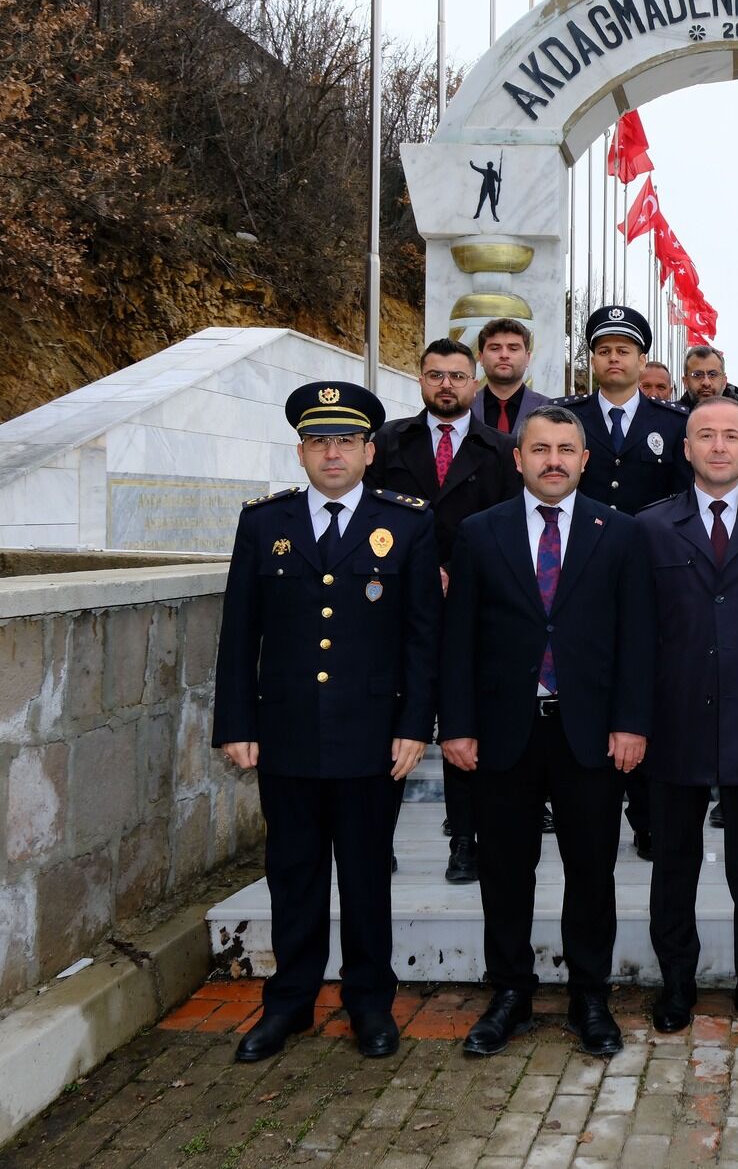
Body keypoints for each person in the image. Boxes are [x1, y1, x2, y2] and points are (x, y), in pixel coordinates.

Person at [214, 381, 437, 1064]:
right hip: (286, 733)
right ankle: (289, 1003)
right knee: (293, 872)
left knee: (366, 875)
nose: (331, 453)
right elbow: (239, 633)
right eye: (318, 441)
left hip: (372, 736)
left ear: (370, 450)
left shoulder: (408, 522)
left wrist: (415, 724)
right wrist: (236, 723)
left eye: (345, 440)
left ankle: (369, 1002)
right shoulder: (264, 524)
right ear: (301, 452)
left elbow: (422, 635)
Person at [442, 405, 655, 1058]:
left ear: (585, 460)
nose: (553, 460)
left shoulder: (620, 533)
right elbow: (458, 639)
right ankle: (510, 993)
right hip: (504, 733)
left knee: (591, 870)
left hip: (588, 733)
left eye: (566, 449)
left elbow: (637, 637)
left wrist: (631, 722)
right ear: (518, 458)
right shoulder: (479, 533)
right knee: (506, 870)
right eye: (540, 448)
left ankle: (590, 996)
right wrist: (457, 726)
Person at [636, 397, 738, 1037]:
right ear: (687, 448)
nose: (720, 446)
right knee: (673, 865)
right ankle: (677, 983)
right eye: (706, 435)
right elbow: (636, 631)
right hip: (675, 717)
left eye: (733, 435)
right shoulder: (650, 527)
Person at [366, 338, 521, 885]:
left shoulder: (501, 449)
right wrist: (418, 568)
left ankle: (465, 841)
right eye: (436, 375)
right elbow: (370, 518)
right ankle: (376, 841)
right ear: (421, 381)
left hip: (472, 608)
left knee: (463, 723)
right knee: (392, 722)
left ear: (474, 383)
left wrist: (458, 568)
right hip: (397, 608)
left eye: (457, 376)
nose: (447, 386)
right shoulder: (387, 442)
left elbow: (508, 524)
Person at [553, 305, 690, 860]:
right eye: (604, 350)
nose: (614, 359)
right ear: (592, 358)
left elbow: (681, 502)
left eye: (624, 350)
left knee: (646, 687)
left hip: (649, 575)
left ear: (641, 359)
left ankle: (648, 815)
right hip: (578, 577)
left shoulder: (673, 423)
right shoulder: (567, 418)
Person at [470, 317, 551, 433]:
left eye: (513, 349)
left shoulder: (550, 410)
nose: (504, 355)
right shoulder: (464, 408)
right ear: (481, 358)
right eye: (495, 348)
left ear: (527, 358)